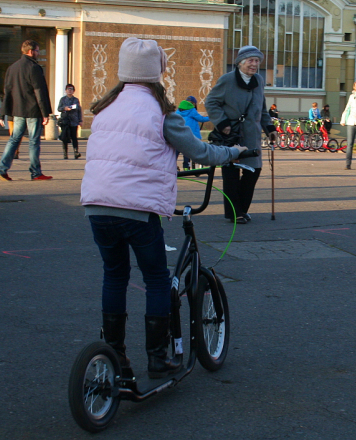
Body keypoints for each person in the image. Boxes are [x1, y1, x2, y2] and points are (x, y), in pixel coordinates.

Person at [81, 37, 245, 378]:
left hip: (97, 205)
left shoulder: (104, 109)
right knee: (156, 278)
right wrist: (234, 152)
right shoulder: (162, 112)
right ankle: (157, 358)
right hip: (137, 210)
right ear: (158, 73)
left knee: (115, 275)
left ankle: (115, 355)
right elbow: (201, 152)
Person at [205, 45, 277, 224]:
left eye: (257, 61)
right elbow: (211, 102)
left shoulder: (259, 81)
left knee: (254, 171)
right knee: (231, 175)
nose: (254, 64)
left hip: (252, 136)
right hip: (231, 136)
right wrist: (222, 123)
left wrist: (270, 129)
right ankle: (234, 213)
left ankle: (242, 209)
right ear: (240, 63)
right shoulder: (227, 80)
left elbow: (262, 108)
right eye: (251, 61)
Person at [0, 39, 53, 181]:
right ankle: (36, 173)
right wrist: (45, 113)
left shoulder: (12, 68)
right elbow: (39, 91)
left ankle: (2, 169)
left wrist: (4, 112)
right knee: (34, 141)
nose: (38, 54)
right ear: (31, 51)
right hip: (33, 110)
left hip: (18, 111)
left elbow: (7, 91)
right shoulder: (34, 68)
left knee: (14, 139)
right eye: (38, 51)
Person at [175, 95, 209, 170]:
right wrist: (211, 117)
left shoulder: (178, 111)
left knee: (176, 151)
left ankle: (172, 166)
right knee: (187, 151)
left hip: (179, 134)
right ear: (194, 103)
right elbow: (201, 119)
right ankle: (186, 167)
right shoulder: (192, 110)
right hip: (190, 134)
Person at [57, 83, 83, 160]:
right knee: (65, 137)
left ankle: (76, 152)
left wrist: (80, 120)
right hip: (65, 121)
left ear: (73, 91)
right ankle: (65, 154)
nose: (69, 91)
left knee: (74, 137)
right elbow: (59, 108)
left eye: (71, 89)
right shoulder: (63, 99)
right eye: (68, 89)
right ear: (66, 90)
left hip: (74, 121)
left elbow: (79, 110)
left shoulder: (76, 100)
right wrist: (65, 108)